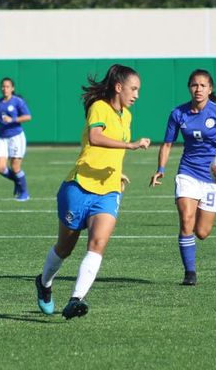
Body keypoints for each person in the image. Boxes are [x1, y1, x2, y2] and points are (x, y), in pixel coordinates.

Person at [35, 64, 151, 319]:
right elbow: (96, 138)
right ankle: (43, 283)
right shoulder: (99, 106)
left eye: (138, 90)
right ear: (118, 87)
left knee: (97, 243)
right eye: (133, 88)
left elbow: (111, 151)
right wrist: (130, 145)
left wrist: (115, 170)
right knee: (64, 248)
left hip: (108, 191)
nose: (136, 95)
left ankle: (76, 299)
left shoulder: (127, 116)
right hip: (79, 187)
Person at [150, 69, 216, 286]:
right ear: (189, 88)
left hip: (214, 177)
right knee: (186, 220)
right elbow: (167, 144)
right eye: (194, 85)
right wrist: (161, 169)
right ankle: (189, 273)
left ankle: (189, 241)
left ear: (210, 89)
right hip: (188, 173)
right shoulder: (178, 113)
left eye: (203, 85)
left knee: (201, 232)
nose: (198, 89)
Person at [0, 77, 32, 202]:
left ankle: (24, 193)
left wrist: (13, 120)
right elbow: (2, 118)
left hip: (16, 137)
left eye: (7, 86)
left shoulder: (18, 101)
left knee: (15, 167)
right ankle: (17, 181)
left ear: (12, 88)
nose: (5, 89)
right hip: (2, 137)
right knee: (0, 167)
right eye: (3, 86)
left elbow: (28, 116)